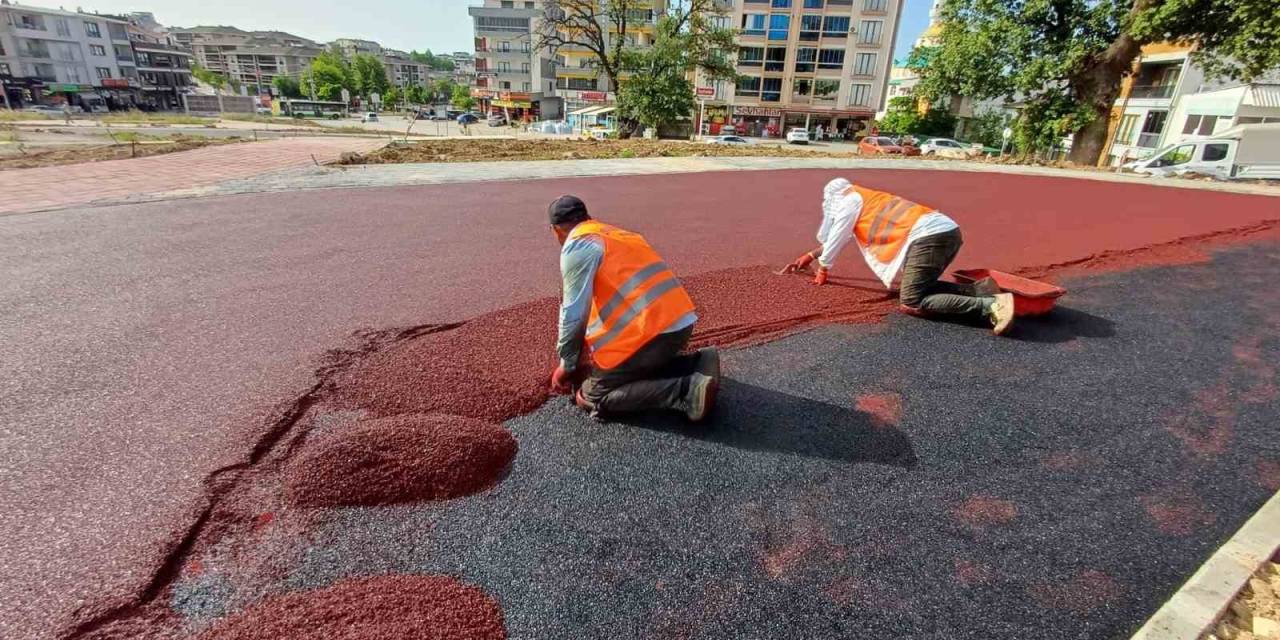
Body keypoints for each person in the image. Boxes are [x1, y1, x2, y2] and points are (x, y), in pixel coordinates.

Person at [547, 195, 720, 422]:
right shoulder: (617, 234)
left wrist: (567, 365)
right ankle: (696, 363)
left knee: (591, 395)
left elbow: (573, 314)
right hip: (681, 323)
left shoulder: (578, 245)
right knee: (630, 369)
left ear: (555, 230)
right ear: (587, 217)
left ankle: (685, 391)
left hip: (653, 335)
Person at [784, 178, 1016, 335]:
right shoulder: (863, 197)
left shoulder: (848, 202)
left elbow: (837, 235)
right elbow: (843, 236)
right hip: (945, 230)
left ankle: (991, 305)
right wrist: (811, 255)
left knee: (912, 301)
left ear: (832, 198)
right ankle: (980, 290)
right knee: (919, 285)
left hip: (930, 237)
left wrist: (823, 268)